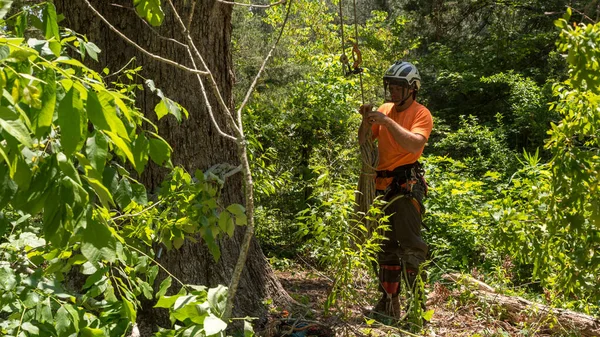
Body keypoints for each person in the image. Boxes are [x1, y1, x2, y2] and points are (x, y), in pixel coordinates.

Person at [358, 61, 433, 319]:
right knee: (384, 247)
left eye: (399, 87)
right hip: (381, 187)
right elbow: (365, 142)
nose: (394, 91)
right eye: (391, 86)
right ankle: (389, 303)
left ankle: (417, 307)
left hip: (405, 186)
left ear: (412, 89)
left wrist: (387, 122)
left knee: (411, 246)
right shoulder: (385, 109)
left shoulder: (421, 113)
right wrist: (366, 121)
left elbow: (414, 144)